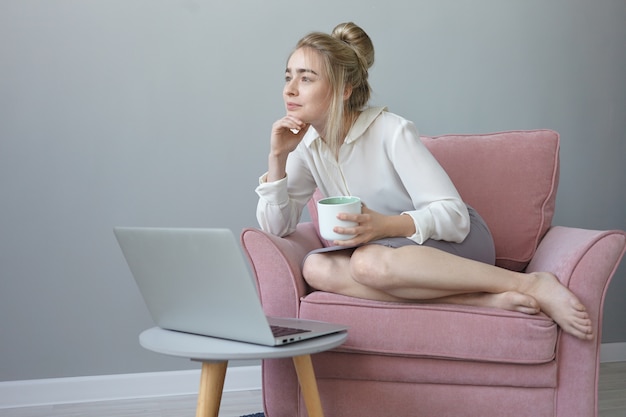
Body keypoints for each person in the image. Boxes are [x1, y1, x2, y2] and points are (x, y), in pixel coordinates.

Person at [255, 22, 593, 341]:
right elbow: (276, 226)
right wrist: (278, 157)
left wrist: (385, 226)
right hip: (387, 259)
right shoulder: (305, 146)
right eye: (288, 77)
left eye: (306, 78)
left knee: (367, 261)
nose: (290, 89)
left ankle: (530, 284)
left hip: (454, 243)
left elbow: (455, 218)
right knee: (315, 266)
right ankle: (479, 300)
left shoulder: (391, 131)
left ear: (345, 88)